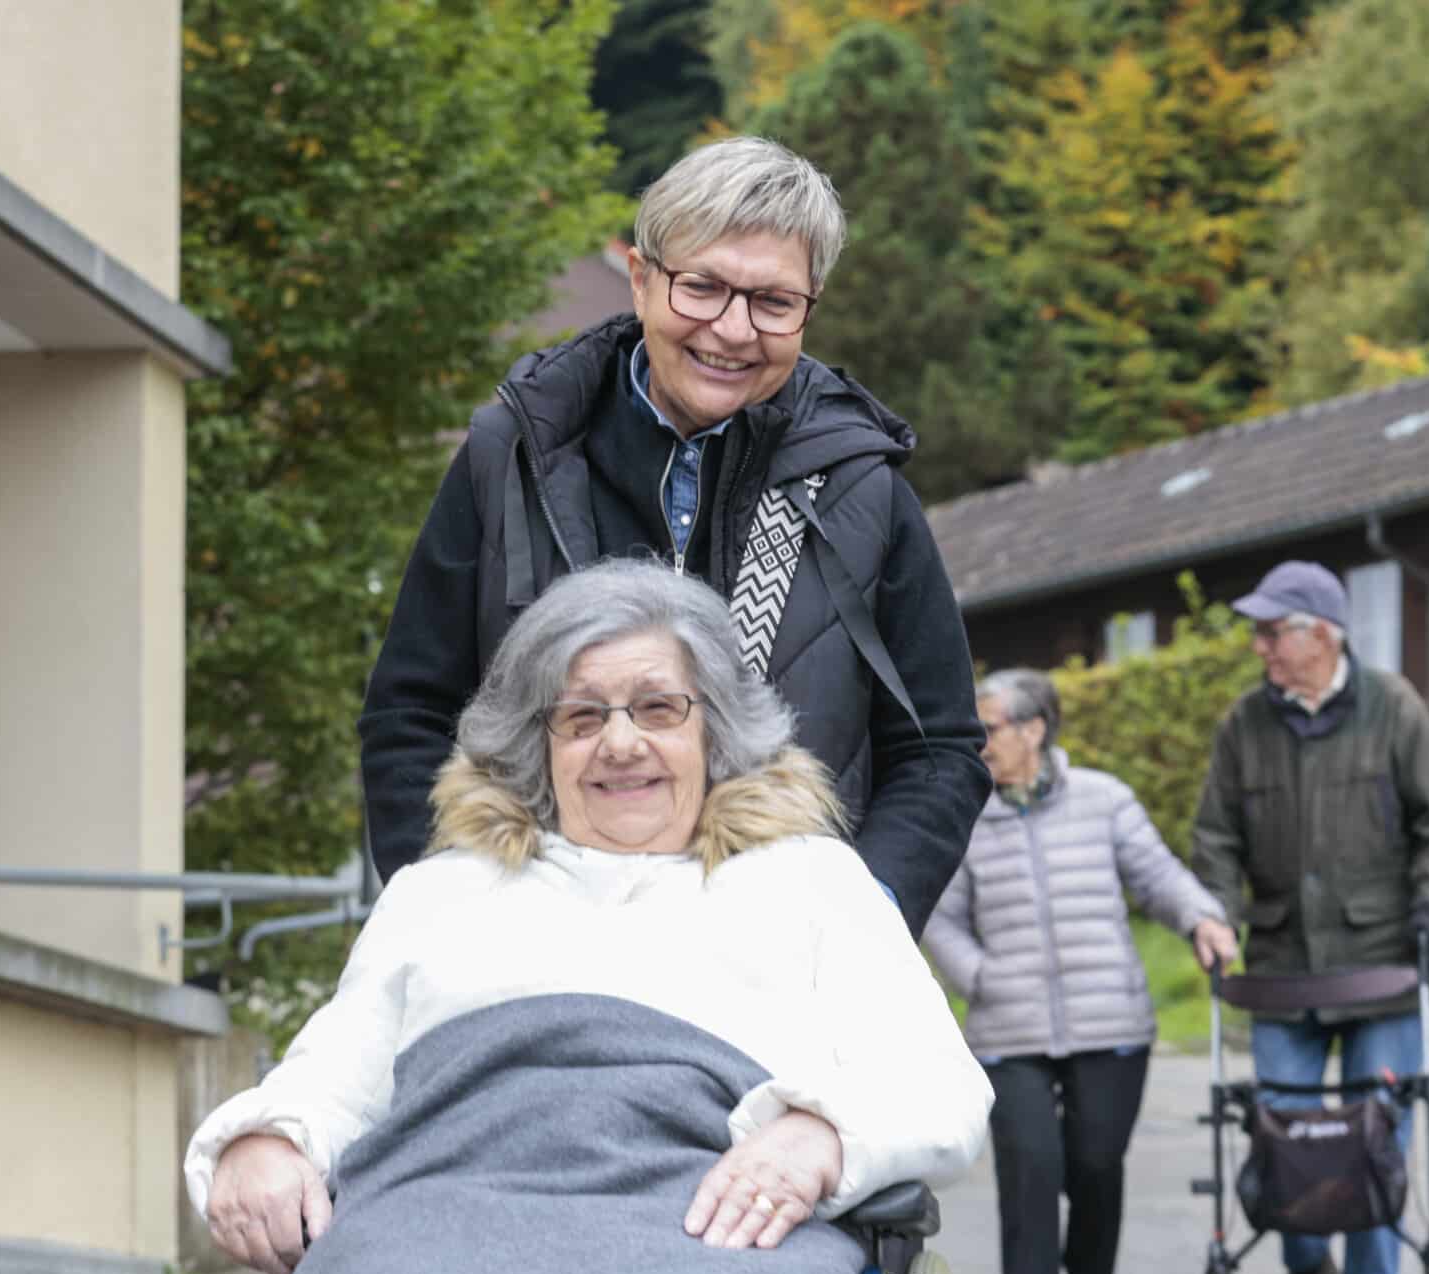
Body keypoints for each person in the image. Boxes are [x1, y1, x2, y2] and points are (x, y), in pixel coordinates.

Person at [186, 565, 989, 1274]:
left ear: (715, 729)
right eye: (583, 715)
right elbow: (334, 1067)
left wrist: (820, 1134)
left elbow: (935, 1080)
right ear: (537, 744)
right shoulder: (445, 891)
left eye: (658, 709)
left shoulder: (810, 882)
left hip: (697, 1214)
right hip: (451, 1201)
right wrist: (265, 1138)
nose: (622, 744)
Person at [357, 135, 989, 938]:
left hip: (780, 962)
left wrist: (861, 919)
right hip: (534, 947)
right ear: (641, 277)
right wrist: (455, 910)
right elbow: (407, 713)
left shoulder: (865, 489)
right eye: (703, 287)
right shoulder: (510, 459)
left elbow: (941, 750)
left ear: (810, 306)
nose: (732, 330)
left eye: (773, 302)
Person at [1190, 560, 1429, 1274]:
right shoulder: (1244, 725)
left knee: (1377, 1127)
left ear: (1322, 634)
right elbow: (1215, 839)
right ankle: (1307, 1266)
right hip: (1282, 964)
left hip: (1382, 960)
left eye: (1272, 631)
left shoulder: (1394, 707)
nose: (1260, 648)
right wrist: (1215, 913)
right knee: (1282, 1126)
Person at [923, 669, 1236, 1274]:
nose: (980, 743)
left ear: (1033, 729)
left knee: (1097, 1166)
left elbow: (1157, 874)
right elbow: (940, 914)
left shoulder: (1104, 799)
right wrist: (980, 977)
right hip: (1010, 1026)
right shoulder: (965, 812)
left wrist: (1203, 917)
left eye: (991, 728)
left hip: (1109, 1018)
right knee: (1030, 1167)